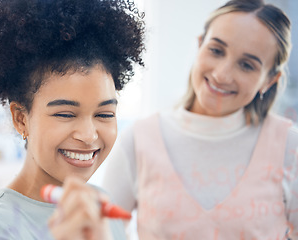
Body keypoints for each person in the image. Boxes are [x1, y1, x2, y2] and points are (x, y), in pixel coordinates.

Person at [102, 0, 298, 239]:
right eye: (216, 50)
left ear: (269, 81)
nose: (222, 74)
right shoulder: (139, 139)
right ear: (199, 45)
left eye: (246, 65)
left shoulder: (289, 146)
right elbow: (103, 232)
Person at [0, 0, 145, 239]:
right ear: (21, 119)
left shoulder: (102, 208)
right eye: (66, 114)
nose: (89, 135)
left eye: (104, 114)